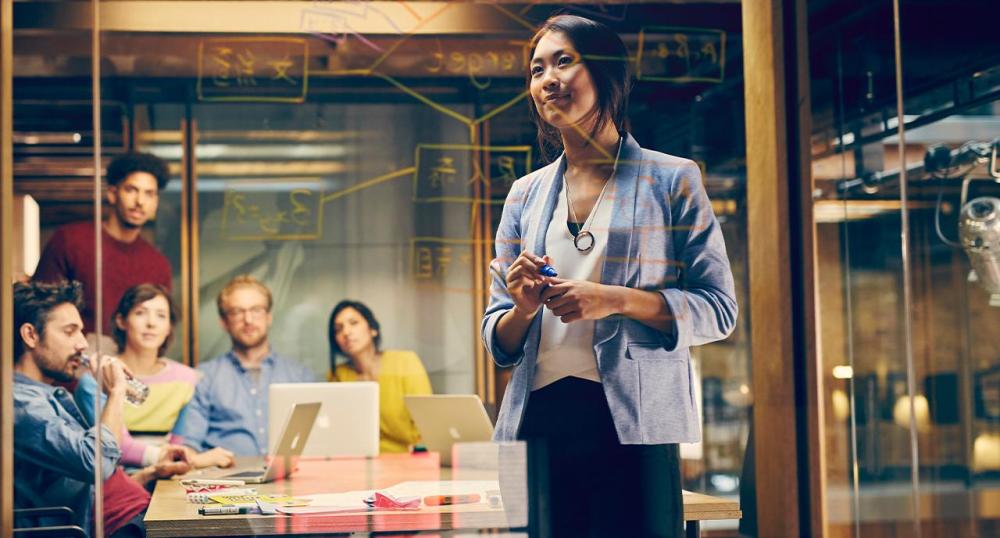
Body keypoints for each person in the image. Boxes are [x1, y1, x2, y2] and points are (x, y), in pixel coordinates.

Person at [481, 15, 738, 537]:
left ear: (605, 73)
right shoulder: (524, 196)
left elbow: (719, 309)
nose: (548, 79)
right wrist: (524, 307)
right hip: (539, 421)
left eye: (564, 60)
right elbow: (497, 337)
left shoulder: (673, 179)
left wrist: (617, 299)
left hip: (634, 424)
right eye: (537, 69)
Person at [12, 280, 190, 537]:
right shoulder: (21, 404)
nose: (82, 343)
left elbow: (85, 477)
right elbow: (95, 462)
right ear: (31, 335)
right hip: (121, 524)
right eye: (70, 331)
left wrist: (148, 473)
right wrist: (116, 391)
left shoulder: (46, 393)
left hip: (134, 510)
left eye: (81, 332)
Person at [75, 284, 235, 470]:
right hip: (117, 485)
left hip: (169, 480)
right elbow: (115, 447)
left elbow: (182, 444)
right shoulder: (94, 380)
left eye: (161, 315)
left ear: (169, 327)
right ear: (121, 321)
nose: (151, 323)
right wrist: (190, 460)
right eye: (141, 313)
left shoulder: (188, 380)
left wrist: (180, 459)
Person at [173, 275, 317, 456]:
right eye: (237, 312)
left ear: (269, 317)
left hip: (292, 480)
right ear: (224, 322)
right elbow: (188, 446)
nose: (248, 319)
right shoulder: (204, 378)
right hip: (224, 481)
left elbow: (322, 440)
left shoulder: (301, 376)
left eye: (256, 310)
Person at [34, 152, 172, 338]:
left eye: (149, 194)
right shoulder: (70, 240)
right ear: (113, 194)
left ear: (156, 202)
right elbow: (40, 308)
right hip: (73, 359)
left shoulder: (158, 265)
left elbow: (158, 329)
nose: (140, 201)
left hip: (131, 363)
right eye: (131, 190)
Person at [327, 300, 432, 453]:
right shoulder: (338, 375)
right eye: (338, 329)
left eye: (353, 323)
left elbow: (427, 421)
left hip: (408, 459)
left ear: (373, 329)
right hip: (357, 463)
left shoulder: (404, 362)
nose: (346, 332)